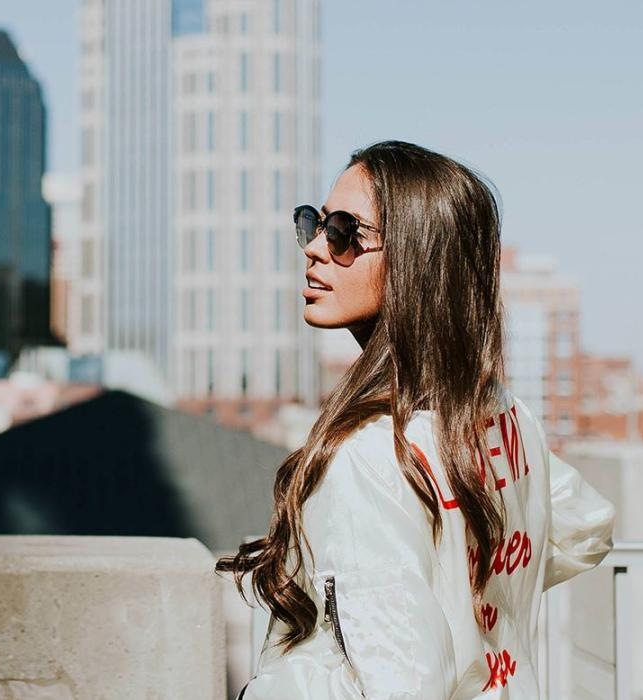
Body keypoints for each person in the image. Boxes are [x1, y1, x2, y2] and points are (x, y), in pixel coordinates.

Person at [219, 141, 616, 698]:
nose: (313, 247)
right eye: (313, 223)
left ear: (418, 260)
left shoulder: (368, 453)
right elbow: (585, 524)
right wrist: (464, 592)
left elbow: (401, 685)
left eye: (343, 232)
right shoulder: (500, 412)